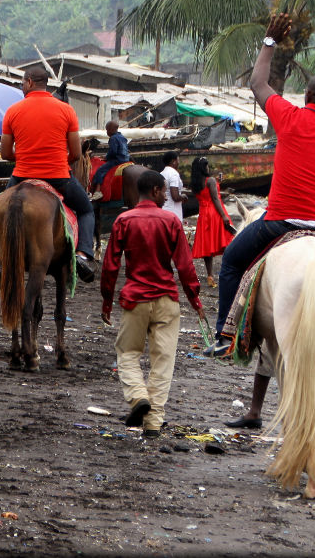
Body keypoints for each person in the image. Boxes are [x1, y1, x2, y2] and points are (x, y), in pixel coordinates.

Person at [207, 12, 315, 429]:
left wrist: (270, 42)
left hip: (278, 223)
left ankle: (225, 334)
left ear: (307, 95)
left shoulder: (289, 118)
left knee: (234, 262)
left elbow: (258, 83)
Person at [100, 169, 205, 439]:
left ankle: (137, 397)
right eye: (162, 193)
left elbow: (111, 265)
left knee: (127, 354)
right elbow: (184, 265)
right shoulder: (171, 221)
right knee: (163, 361)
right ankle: (154, 423)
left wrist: (107, 301)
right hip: (166, 300)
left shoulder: (124, 220)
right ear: (157, 191)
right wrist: (194, 298)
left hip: (135, 299)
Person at [1, 66, 97, 276]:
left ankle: (0, 261)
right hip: (58, 176)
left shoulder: (13, 111)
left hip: (22, 175)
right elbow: (76, 153)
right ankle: (82, 254)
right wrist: (58, 159)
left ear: (28, 82)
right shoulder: (66, 110)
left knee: (0, 210)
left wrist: (27, 156)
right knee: (86, 209)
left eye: (22, 83)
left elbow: (6, 153)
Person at [188, 156, 235, 289]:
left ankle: (210, 275)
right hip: (214, 213)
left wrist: (216, 182)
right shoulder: (211, 180)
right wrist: (224, 216)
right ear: (204, 168)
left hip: (203, 215)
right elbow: (215, 198)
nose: (208, 167)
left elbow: (206, 193)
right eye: (207, 165)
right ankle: (229, 270)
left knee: (208, 245)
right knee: (226, 241)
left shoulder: (195, 183)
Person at [90, 120, 130, 196]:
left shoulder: (113, 138)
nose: (107, 132)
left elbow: (113, 152)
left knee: (100, 170)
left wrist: (106, 157)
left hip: (118, 160)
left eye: (107, 130)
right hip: (126, 159)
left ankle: (97, 191)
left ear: (111, 130)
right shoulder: (122, 137)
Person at [159, 151, 185, 221]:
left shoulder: (161, 173)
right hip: (173, 211)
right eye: (178, 160)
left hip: (163, 208)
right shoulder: (174, 174)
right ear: (173, 161)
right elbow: (175, 197)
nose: (178, 163)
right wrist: (183, 197)